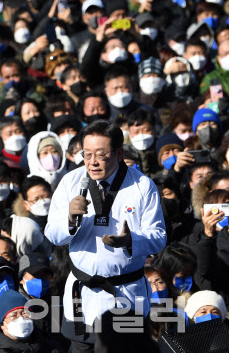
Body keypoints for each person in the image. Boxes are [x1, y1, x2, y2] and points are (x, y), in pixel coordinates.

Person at [45, 120, 166, 350]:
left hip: (126, 292)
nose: (92, 162)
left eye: (101, 154)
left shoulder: (142, 185)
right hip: (84, 292)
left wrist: (131, 240)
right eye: (87, 154)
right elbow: (52, 234)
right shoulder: (71, 182)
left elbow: (159, 237)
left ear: (119, 153)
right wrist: (70, 219)